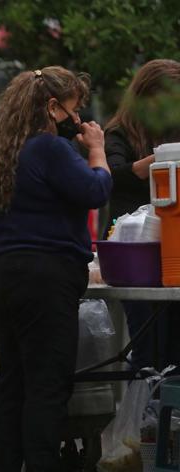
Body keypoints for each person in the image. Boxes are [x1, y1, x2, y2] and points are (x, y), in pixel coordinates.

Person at [0, 67, 112, 472]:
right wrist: (98, 150)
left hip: (3, 277)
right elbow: (95, 190)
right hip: (45, 276)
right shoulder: (49, 148)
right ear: (52, 108)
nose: (78, 115)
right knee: (48, 381)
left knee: (13, 382)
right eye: (73, 106)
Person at [104, 59, 180, 370]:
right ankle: (145, 410)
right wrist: (161, 159)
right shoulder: (118, 132)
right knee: (146, 342)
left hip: (171, 245)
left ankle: (167, 412)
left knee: (174, 341)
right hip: (133, 249)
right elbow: (112, 176)